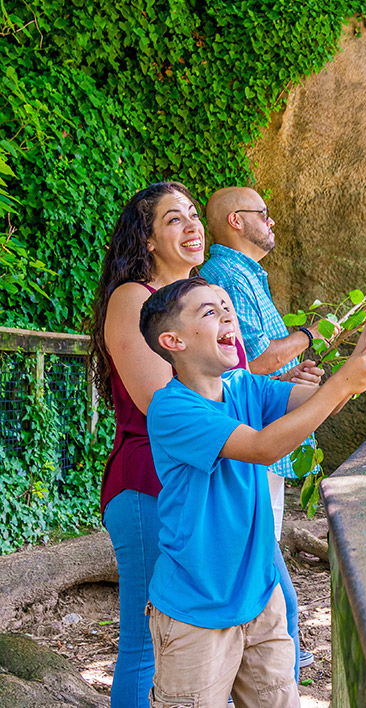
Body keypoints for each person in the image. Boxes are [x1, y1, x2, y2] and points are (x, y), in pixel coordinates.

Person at [139, 278, 366, 708]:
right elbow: (264, 448)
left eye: (227, 305)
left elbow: (320, 403)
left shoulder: (245, 385)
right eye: (209, 311)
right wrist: (343, 383)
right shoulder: (171, 408)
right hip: (195, 611)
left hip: (261, 597)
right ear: (173, 341)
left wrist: (361, 355)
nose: (227, 314)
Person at [89, 182, 207, 708]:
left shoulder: (201, 303)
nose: (192, 226)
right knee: (145, 645)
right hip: (146, 485)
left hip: (197, 483)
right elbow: (162, 404)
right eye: (174, 219)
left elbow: (234, 393)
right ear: (148, 239)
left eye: (194, 215)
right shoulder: (132, 299)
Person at [199, 187, 327, 673]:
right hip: (252, 436)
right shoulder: (223, 275)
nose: (272, 222)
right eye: (264, 214)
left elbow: (263, 370)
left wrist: (293, 379)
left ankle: (275, 650)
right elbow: (252, 359)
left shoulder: (247, 274)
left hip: (266, 424)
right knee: (261, 552)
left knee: (265, 549)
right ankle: (277, 653)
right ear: (236, 220)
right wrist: (311, 334)